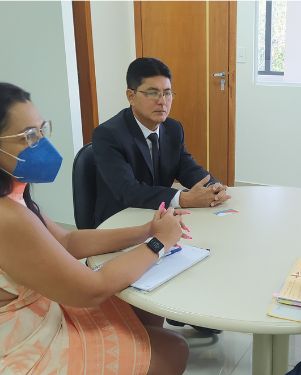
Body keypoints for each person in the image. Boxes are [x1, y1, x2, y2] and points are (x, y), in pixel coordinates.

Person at [0, 82, 190, 374]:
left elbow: (67, 240)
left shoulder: (15, 195)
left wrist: (147, 230)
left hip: (43, 308)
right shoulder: (7, 217)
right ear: (132, 95)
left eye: (42, 130)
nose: (161, 101)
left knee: (144, 309)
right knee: (174, 349)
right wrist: (158, 244)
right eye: (29, 137)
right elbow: (90, 290)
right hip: (24, 337)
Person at [92, 57, 230, 228]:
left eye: (167, 93)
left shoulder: (173, 128)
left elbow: (188, 168)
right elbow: (127, 191)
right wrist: (183, 198)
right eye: (152, 93)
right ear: (131, 96)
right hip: (120, 223)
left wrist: (213, 188)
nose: (162, 101)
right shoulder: (108, 134)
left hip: (159, 216)